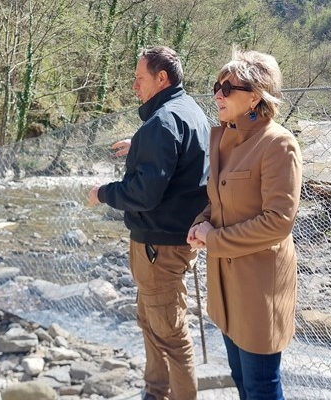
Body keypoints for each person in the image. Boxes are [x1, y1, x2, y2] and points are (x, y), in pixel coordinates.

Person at [87, 45, 210, 400]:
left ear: (162, 78)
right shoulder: (189, 110)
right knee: (150, 321)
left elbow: (143, 194)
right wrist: (140, 144)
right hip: (174, 239)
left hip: (159, 246)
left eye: (140, 78)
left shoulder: (163, 122)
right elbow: (180, 157)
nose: (134, 86)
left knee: (171, 335)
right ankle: (155, 391)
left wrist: (103, 193)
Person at [187, 47, 302, 400]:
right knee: (240, 378)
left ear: (255, 97)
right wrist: (200, 223)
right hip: (225, 285)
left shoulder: (279, 144)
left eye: (228, 88)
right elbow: (218, 198)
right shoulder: (223, 138)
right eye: (217, 86)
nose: (218, 95)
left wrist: (213, 238)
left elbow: (278, 223)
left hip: (258, 288)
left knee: (261, 388)